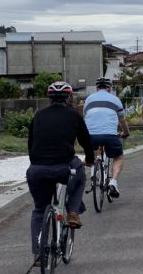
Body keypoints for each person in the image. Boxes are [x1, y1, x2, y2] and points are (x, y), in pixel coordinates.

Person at [26, 81, 94, 263]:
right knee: (80, 176)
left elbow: (30, 145)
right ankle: (72, 211)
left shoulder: (38, 116)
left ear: (49, 98)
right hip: (64, 167)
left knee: (39, 210)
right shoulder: (74, 116)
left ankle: (38, 254)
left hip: (37, 169)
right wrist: (89, 160)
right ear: (69, 98)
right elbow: (86, 143)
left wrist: (37, 164)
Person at [83, 77, 130, 199]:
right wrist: (126, 132)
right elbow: (122, 120)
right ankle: (113, 182)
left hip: (91, 136)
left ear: (97, 87)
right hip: (110, 135)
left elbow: (85, 118)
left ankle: (94, 170)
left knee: (94, 151)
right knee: (118, 157)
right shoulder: (115, 100)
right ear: (109, 88)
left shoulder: (88, 100)